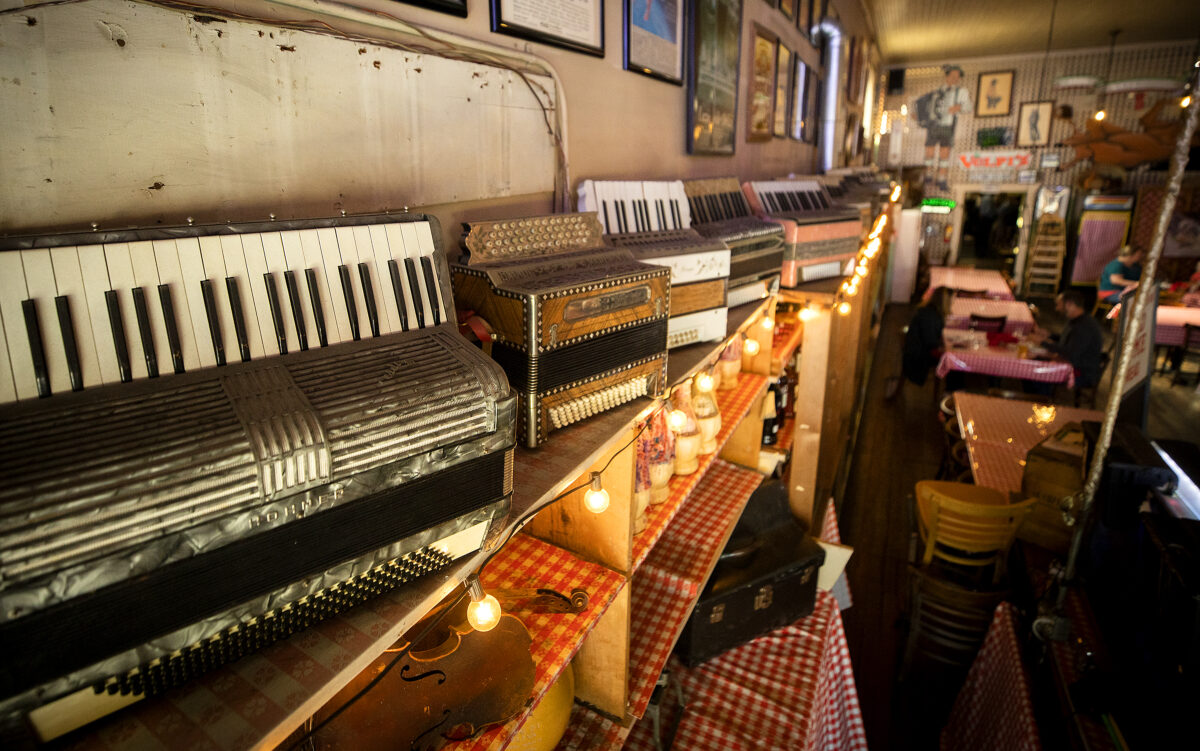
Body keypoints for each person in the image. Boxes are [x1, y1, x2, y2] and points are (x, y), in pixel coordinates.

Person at [1030, 290, 1104, 390]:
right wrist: (1049, 335)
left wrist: (1042, 342)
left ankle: (1041, 400)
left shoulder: (1084, 327)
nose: (1057, 308)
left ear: (1069, 304)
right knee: (1035, 361)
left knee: (1036, 372)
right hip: (1076, 364)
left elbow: (1069, 352)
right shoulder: (1080, 320)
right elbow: (1070, 340)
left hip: (1081, 372)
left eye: (1059, 305)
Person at [918, 65, 971, 193]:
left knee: (944, 153)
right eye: (953, 76)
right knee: (929, 150)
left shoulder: (961, 92)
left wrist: (959, 107)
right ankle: (929, 175)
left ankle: (941, 179)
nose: (955, 79)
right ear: (947, 76)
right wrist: (920, 115)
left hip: (947, 125)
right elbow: (925, 105)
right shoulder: (937, 92)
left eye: (957, 77)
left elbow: (968, 107)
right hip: (933, 125)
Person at [901, 286, 951, 387]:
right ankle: (950, 391)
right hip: (919, 357)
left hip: (916, 351)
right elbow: (930, 341)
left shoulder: (928, 311)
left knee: (951, 356)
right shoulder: (931, 316)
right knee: (952, 363)